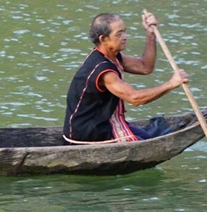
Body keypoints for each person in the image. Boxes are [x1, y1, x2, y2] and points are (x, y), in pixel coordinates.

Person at [63, 11, 188, 144]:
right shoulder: (104, 71)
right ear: (103, 39)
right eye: (119, 34)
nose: (125, 37)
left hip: (102, 122)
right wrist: (171, 83)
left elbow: (145, 67)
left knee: (148, 139)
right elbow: (135, 98)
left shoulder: (112, 56)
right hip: (86, 133)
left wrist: (151, 35)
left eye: (124, 32)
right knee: (144, 144)